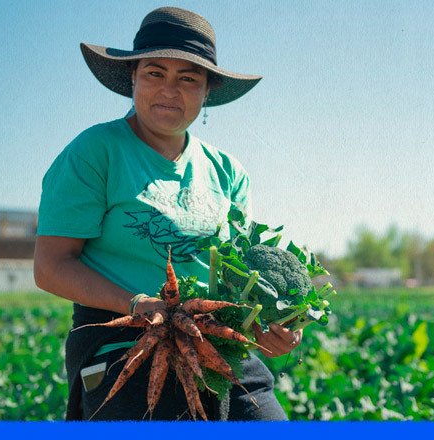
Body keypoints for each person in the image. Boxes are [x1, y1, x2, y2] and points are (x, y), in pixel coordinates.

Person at [34, 7, 301, 421]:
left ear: (207, 90)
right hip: (124, 342)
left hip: (214, 339)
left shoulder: (227, 171)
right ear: (133, 79)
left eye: (188, 78)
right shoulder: (95, 152)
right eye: (155, 73)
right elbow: (51, 266)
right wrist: (137, 302)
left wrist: (266, 325)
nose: (169, 90)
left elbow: (236, 279)